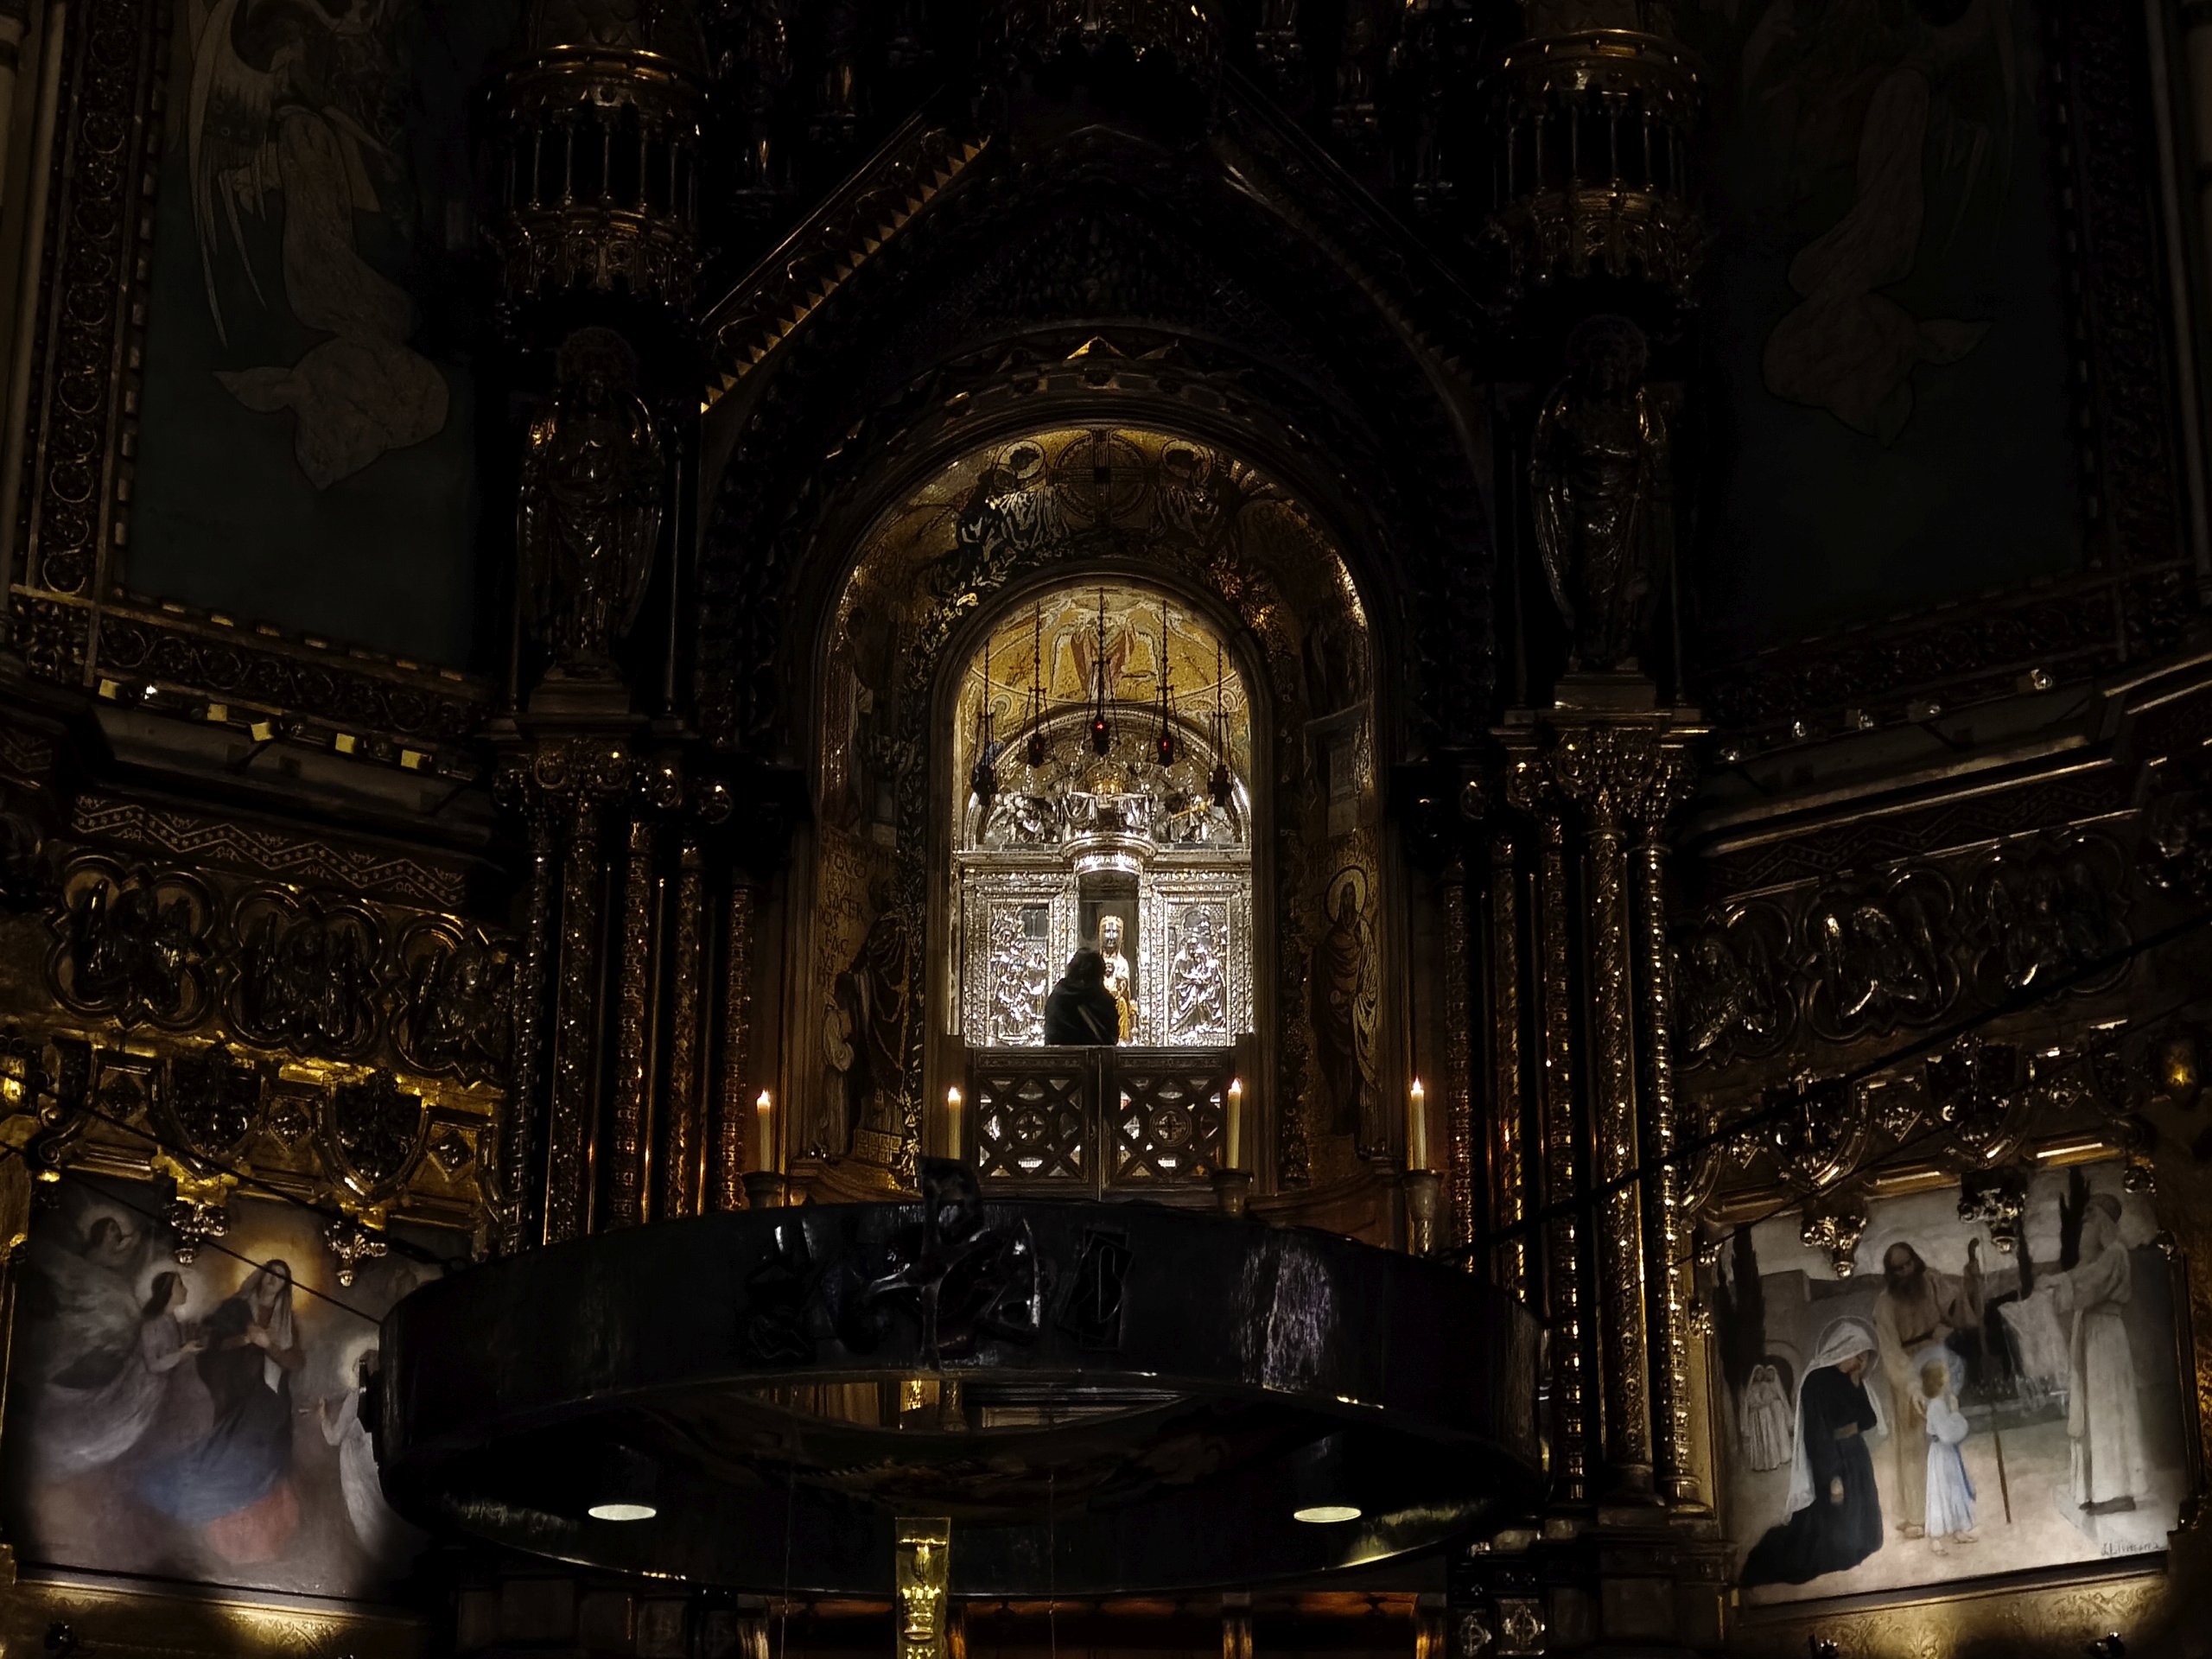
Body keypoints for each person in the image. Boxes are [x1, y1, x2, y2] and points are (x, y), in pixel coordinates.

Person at [137, 1259, 306, 1565]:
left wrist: (269, 1345)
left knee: (268, 1452)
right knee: (230, 1447)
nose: (273, 1280)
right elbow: (212, 1344)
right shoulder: (236, 1307)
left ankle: (256, 1516)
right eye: (270, 1273)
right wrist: (245, 1339)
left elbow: (295, 1361)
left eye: (281, 1277)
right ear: (261, 1275)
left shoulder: (285, 1319)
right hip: (236, 1391)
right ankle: (209, 1498)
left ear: (285, 1286)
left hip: (271, 1394)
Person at [1741, 1319, 1887, 1588]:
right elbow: (1818, 1435)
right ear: (1844, 1350)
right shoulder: (1816, 1381)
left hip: (1856, 1455)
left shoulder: (1853, 1380)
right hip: (1830, 1458)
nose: (1861, 1362)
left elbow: (1869, 1420)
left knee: (1865, 1532)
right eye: (1858, 1355)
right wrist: (1832, 1476)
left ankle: (1858, 1543)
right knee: (1829, 1526)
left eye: (1865, 1357)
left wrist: (1856, 1384)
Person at [2048, 1192, 2148, 1514]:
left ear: (2103, 1222)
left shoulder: (2115, 1254)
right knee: (2090, 1410)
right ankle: (2092, 1490)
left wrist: (2057, 1282)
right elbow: (2080, 1278)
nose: (2084, 1226)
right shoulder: (2094, 1260)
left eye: (2089, 1218)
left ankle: (2117, 1492)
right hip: (2090, 1332)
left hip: (2105, 1336)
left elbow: (2090, 1284)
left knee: (2107, 1410)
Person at [1873, 1241, 1978, 1538]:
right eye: (1899, 1268)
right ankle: (1917, 1515)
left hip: (1935, 1362)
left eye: (1909, 1263)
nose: (1907, 1271)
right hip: (1907, 1372)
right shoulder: (1885, 1304)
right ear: (1891, 1272)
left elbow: (1958, 1308)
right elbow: (1891, 1351)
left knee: (1943, 1439)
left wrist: (1971, 1279)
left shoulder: (1931, 1282)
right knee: (1913, 1445)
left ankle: (1951, 1513)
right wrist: (1912, 1386)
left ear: (1916, 1261)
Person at [1043, 950, 1119, 1046]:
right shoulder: (1102, 1002)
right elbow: (1111, 1038)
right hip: (1094, 1055)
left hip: (1059, 1055)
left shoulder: (1057, 998)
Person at [1743, 1363, 1795, 1472]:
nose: (1759, 1376)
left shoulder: (1765, 1385)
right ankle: (1760, 1463)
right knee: (1760, 1437)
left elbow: (1771, 1398)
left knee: (1771, 1434)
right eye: (1757, 1374)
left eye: (1761, 1374)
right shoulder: (1752, 1387)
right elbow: (1749, 1401)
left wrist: (1765, 1403)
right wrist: (1757, 1404)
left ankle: (1774, 1460)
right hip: (1756, 1415)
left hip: (1767, 1413)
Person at [1098, 915, 1136, 1041]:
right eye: (1107, 931)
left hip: (1117, 1000)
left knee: (1122, 1004)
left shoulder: (1122, 963)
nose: (1111, 936)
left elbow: (1125, 990)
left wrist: (1118, 991)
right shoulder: (1096, 962)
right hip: (1098, 1001)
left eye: (1115, 932)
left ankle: (1122, 1038)